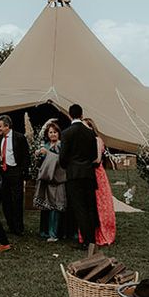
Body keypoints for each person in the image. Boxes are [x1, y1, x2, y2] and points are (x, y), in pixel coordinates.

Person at [58, 104, 99, 250]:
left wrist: (67, 166)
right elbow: (94, 155)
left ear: (70, 115)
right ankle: (92, 239)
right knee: (89, 207)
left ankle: (87, 242)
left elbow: (62, 157)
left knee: (79, 208)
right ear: (81, 115)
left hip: (74, 174)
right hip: (88, 173)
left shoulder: (67, 133)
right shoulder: (90, 133)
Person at [82, 118, 116, 246]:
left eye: (87, 127)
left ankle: (102, 232)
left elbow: (96, 159)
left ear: (92, 128)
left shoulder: (97, 140)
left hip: (96, 174)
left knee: (100, 203)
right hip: (88, 172)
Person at [0, 115, 30, 235]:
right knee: (5, 200)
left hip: (15, 171)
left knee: (17, 200)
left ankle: (19, 228)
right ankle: (10, 225)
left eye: (0, 126)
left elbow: (26, 156)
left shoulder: (19, 137)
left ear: (7, 126)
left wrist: (22, 172)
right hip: (3, 172)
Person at [33, 121, 66, 242]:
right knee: (46, 206)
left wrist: (48, 154)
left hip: (57, 179)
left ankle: (54, 233)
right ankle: (44, 231)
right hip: (46, 179)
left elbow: (62, 161)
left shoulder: (61, 146)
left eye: (55, 132)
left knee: (55, 207)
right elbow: (41, 164)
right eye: (50, 132)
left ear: (58, 133)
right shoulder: (45, 145)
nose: (53, 134)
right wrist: (38, 156)